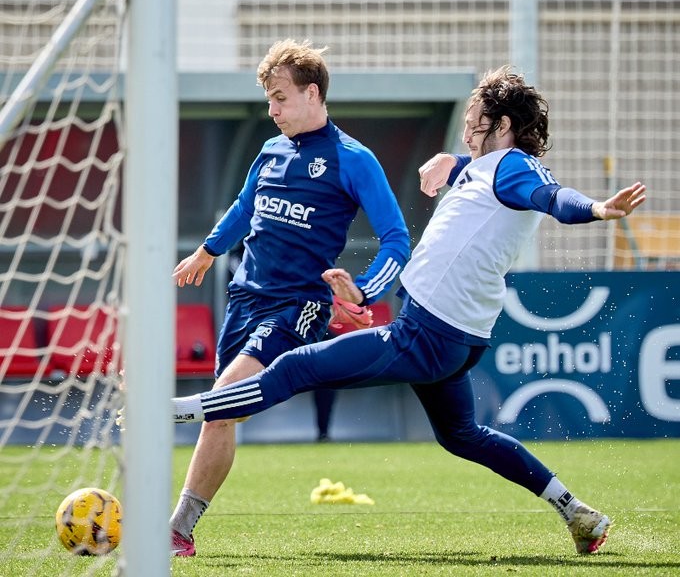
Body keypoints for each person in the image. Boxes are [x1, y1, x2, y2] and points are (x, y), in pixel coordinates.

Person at [172, 65, 647, 555]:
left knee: (297, 365)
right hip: (454, 337)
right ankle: (575, 510)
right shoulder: (489, 168)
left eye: (474, 121)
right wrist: (451, 160)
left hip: (426, 334)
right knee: (462, 436)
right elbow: (481, 175)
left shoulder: (513, 167)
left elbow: (551, 197)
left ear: (502, 126)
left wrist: (594, 208)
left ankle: (175, 411)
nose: (466, 130)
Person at [169, 39, 410, 556]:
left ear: (312, 93)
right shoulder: (270, 150)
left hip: (296, 306)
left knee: (220, 402)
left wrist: (364, 289)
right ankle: (181, 530)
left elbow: (397, 239)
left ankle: (173, 525)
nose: (272, 110)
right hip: (244, 299)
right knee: (224, 414)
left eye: (279, 97)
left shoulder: (353, 160)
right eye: (269, 100)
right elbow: (244, 205)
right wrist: (208, 252)